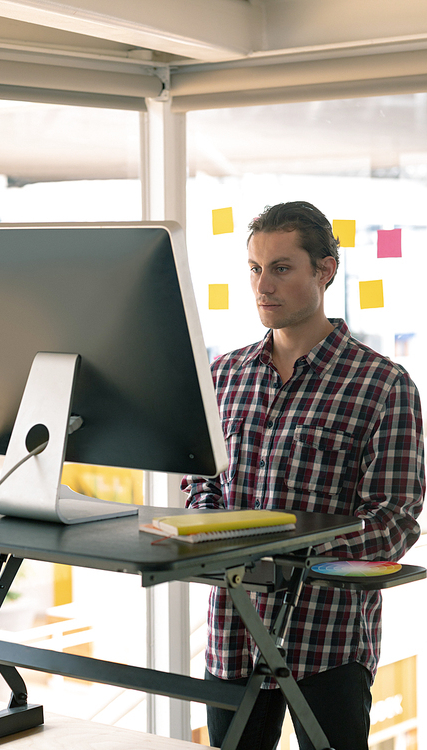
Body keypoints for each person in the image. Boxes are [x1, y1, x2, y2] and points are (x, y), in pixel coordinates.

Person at [181, 201, 425, 750]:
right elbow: (201, 483)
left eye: (282, 267)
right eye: (254, 268)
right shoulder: (223, 376)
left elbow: (393, 521)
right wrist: (207, 528)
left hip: (328, 644)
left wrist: (280, 551)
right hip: (232, 636)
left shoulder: (383, 385)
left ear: (325, 270)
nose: (262, 285)